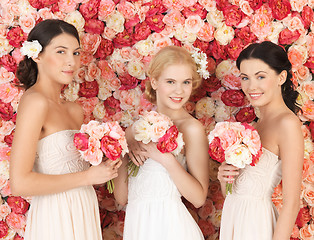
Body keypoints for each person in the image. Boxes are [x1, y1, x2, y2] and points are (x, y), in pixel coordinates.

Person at [9, 19, 121, 240]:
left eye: (76, 53)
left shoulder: (74, 110)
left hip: (83, 207)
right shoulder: (35, 102)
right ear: (37, 55)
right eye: (61, 52)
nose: (71, 61)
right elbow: (20, 183)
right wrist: (87, 176)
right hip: (55, 214)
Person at [113, 46, 209, 240]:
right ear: (154, 82)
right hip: (138, 227)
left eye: (186, 82)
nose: (179, 90)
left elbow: (198, 198)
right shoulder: (134, 130)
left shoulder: (192, 129)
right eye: (171, 81)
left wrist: (166, 160)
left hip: (171, 228)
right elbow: (122, 198)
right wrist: (120, 148)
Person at [217, 41, 304, 240]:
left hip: (256, 225)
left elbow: (292, 203)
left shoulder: (287, 124)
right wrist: (225, 178)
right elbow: (235, 193)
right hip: (234, 220)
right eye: (245, 78)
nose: (251, 86)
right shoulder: (253, 127)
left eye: (261, 77)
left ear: (281, 77)